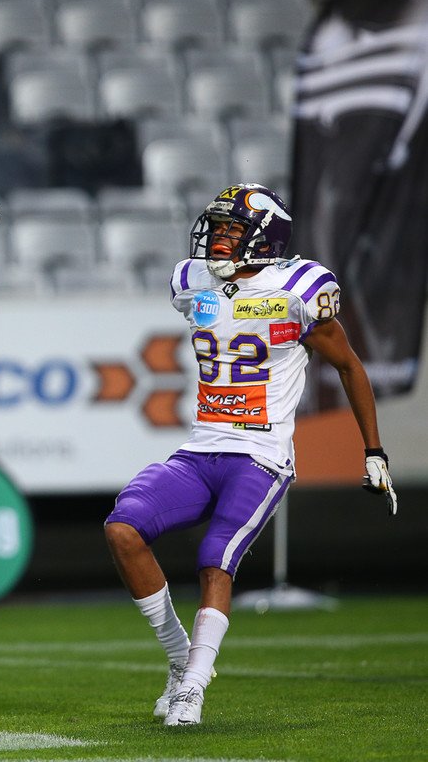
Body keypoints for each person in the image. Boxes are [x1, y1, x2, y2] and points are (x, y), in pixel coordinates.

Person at [104, 183, 398, 727]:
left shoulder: (298, 290)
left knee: (216, 557)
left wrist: (374, 451)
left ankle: (193, 688)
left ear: (265, 238)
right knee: (123, 530)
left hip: (261, 453)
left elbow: (350, 366)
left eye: (232, 229)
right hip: (201, 448)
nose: (218, 238)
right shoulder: (192, 282)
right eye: (216, 228)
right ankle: (179, 658)